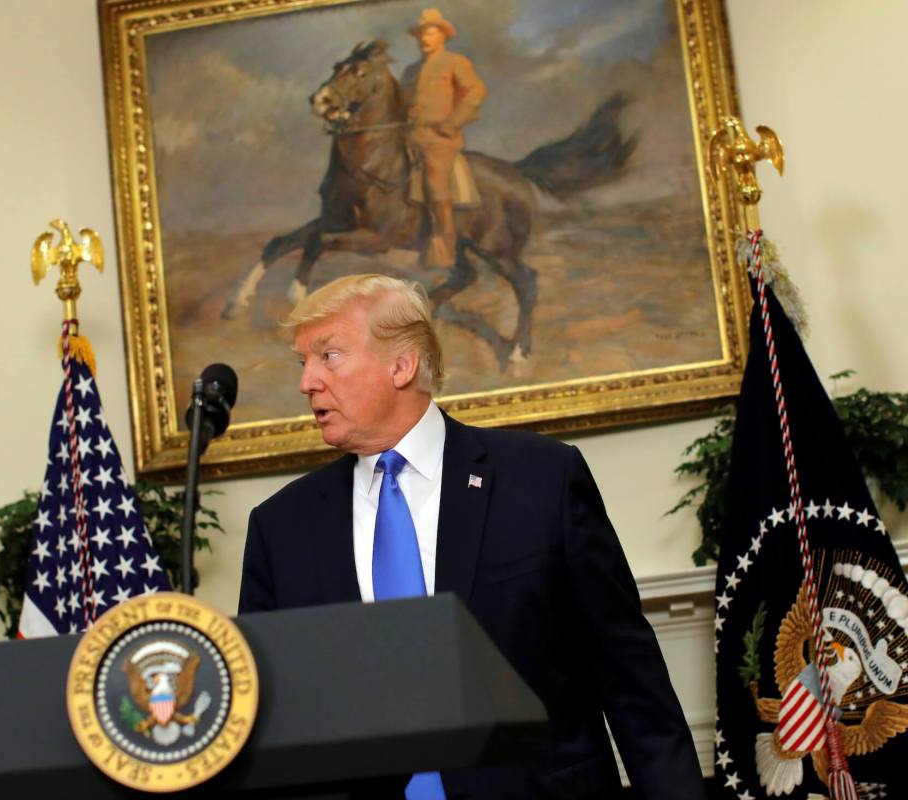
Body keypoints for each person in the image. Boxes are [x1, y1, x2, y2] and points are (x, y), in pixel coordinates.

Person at [238, 274, 704, 799]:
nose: (307, 382)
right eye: (303, 363)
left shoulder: (542, 480)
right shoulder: (281, 528)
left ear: (401, 364)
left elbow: (633, 686)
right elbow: (271, 728)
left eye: (328, 356)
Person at [400, 8, 487, 270]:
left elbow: (476, 91)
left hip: (439, 138)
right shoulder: (410, 70)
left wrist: (452, 122)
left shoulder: (454, 62)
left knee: (436, 185)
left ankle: (444, 247)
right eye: (421, 33)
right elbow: (402, 104)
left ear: (442, 36)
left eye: (430, 32)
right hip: (410, 136)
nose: (424, 38)